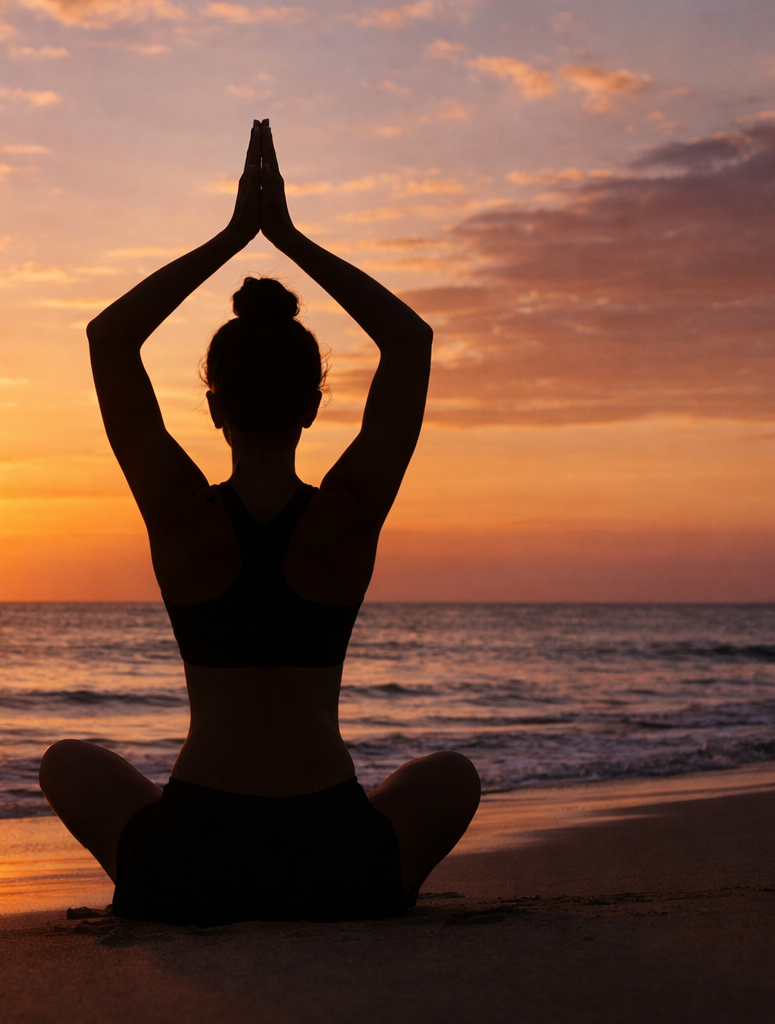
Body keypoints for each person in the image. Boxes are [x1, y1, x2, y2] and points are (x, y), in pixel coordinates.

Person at [38, 121, 480, 926]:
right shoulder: (347, 515)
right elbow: (409, 342)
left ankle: (151, 895)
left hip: (193, 862)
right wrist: (290, 237)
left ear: (215, 408)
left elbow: (110, 339)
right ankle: (377, 891)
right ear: (313, 404)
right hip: (335, 860)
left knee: (66, 762)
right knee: (453, 775)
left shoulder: (182, 514)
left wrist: (234, 235)